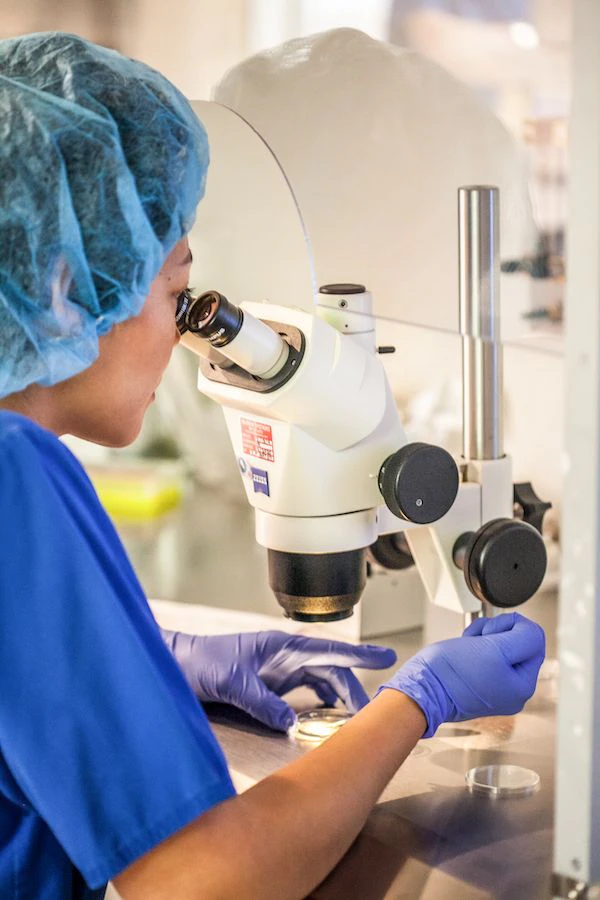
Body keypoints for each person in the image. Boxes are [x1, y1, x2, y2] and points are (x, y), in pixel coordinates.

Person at [0, 32, 545, 900]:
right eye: (176, 292)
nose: (185, 334)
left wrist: (158, 662)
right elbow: (200, 884)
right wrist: (421, 702)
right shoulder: (16, 476)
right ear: (66, 283)